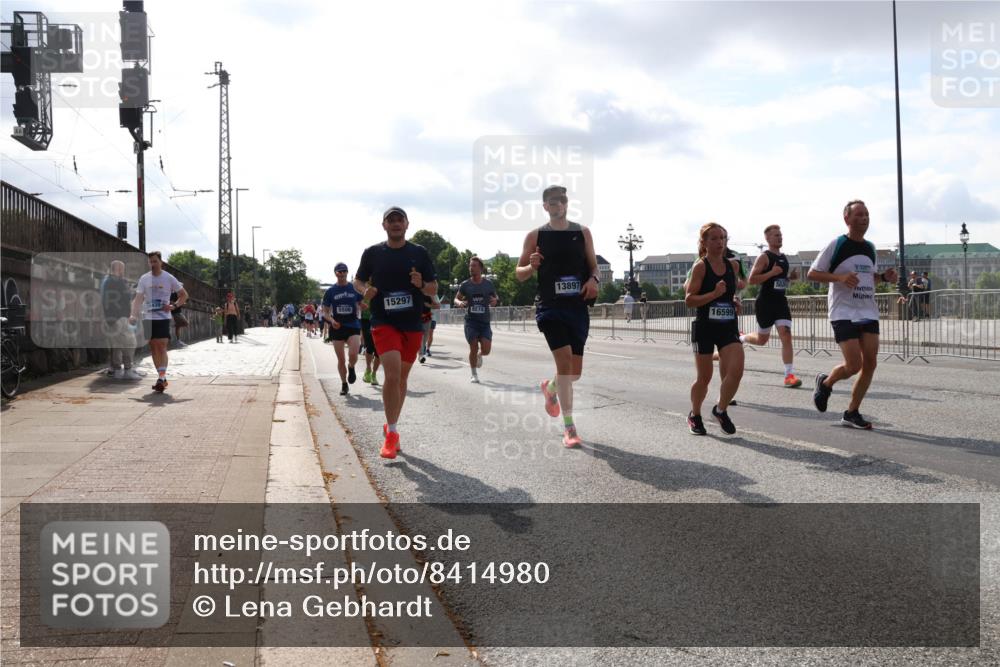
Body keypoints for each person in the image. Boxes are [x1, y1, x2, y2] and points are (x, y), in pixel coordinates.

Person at [516, 185, 599, 448]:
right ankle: (570, 427)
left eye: (561, 200)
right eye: (552, 202)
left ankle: (550, 388)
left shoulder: (582, 232)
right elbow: (520, 273)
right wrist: (532, 264)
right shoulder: (535, 235)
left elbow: (594, 266)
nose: (557, 205)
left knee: (573, 374)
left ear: (566, 203)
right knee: (565, 366)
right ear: (545, 206)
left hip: (577, 307)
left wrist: (594, 280)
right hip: (550, 307)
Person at [355, 207, 438, 459]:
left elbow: (434, 286)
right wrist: (364, 291)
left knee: (401, 378)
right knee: (392, 375)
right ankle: (392, 434)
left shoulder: (419, 253)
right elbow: (358, 281)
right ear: (384, 226)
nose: (395, 224)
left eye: (399, 220)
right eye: (390, 220)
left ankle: (391, 425)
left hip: (412, 322)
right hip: (383, 320)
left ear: (406, 224)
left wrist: (421, 285)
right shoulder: (372, 253)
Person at [808, 200, 898, 429]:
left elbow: (870, 277)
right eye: (859, 214)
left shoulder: (870, 248)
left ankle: (852, 412)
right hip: (843, 311)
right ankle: (826, 383)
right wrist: (839, 278)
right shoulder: (837, 244)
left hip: (867, 310)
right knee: (854, 364)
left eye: (867, 214)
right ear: (847, 219)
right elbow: (813, 273)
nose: (864, 218)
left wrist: (884, 278)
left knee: (870, 364)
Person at [685, 223, 743, 436]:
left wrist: (733, 301)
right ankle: (695, 415)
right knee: (704, 378)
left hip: (727, 325)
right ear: (704, 243)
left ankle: (720, 410)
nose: (720, 243)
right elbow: (689, 300)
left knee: (736, 370)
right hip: (705, 328)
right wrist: (714, 294)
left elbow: (727, 294)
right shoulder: (701, 266)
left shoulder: (732, 266)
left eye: (723, 238)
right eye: (715, 239)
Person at [738, 225, 802, 387]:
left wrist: (790, 278)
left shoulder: (784, 257)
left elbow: (780, 281)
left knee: (786, 335)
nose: (779, 238)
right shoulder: (764, 257)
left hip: (780, 302)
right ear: (767, 239)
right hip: (765, 302)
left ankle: (789, 376)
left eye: (780, 235)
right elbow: (752, 279)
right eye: (776, 235)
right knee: (762, 339)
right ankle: (742, 338)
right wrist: (771, 273)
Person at [129, 251, 187, 393]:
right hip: (147, 318)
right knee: (153, 347)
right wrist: (133, 315)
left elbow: (184, 295)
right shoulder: (144, 279)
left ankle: (161, 378)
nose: (153, 264)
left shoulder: (169, 278)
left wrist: (173, 306)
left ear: (161, 262)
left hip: (163, 317)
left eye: (155, 261)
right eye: (150, 262)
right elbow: (138, 299)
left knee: (161, 346)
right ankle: (161, 377)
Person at [454, 256, 498, 383]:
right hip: (471, 321)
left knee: (486, 350)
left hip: (484, 322)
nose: (471, 268)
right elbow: (456, 298)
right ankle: (474, 374)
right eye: (470, 265)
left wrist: (495, 300)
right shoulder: (465, 285)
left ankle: (480, 355)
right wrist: (459, 303)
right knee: (473, 347)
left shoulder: (488, 284)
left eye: (474, 266)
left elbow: (495, 298)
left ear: (480, 268)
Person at [323, 262, 363, 396]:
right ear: (335, 273)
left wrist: (363, 305)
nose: (342, 273)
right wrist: (332, 321)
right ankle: (344, 384)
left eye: (344, 271)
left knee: (353, 354)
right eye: (339, 271)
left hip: (353, 325)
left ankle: (351, 367)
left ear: (347, 272)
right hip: (337, 327)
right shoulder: (330, 291)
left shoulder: (354, 289)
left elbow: (361, 302)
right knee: (341, 359)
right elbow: (325, 312)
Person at [100, 259, 141, 380]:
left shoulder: (106, 281)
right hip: (120, 317)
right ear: (118, 269)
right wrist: (134, 291)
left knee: (116, 344)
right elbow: (126, 297)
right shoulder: (118, 281)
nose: (123, 271)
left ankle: (116, 370)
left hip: (110, 318)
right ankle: (128, 370)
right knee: (130, 343)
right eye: (122, 269)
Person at [359, 293, 381, 386]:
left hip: (380, 320)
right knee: (370, 346)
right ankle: (368, 369)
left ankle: (374, 374)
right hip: (366, 320)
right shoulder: (362, 289)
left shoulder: (381, 287)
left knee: (378, 349)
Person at [418, 293, 441, 363]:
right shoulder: (414, 289)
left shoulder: (432, 293)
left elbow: (438, 306)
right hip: (416, 318)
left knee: (426, 336)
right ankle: (421, 355)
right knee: (420, 337)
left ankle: (423, 349)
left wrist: (429, 305)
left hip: (427, 318)